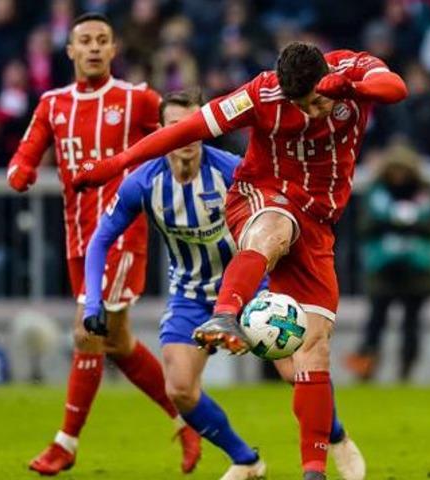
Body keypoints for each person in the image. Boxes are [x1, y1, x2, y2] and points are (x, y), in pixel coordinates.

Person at [73, 41, 407, 480]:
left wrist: (346, 85)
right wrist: (117, 163)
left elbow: (395, 87)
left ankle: (315, 469)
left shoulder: (350, 69)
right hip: (260, 197)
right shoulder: (260, 95)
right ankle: (227, 319)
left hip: (319, 223)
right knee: (273, 230)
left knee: (313, 349)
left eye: (319, 101)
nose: (314, 112)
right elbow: (186, 129)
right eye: (303, 105)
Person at [6, 13, 199, 475]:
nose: (93, 48)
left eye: (102, 41)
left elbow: (180, 128)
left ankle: (65, 443)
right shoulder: (52, 103)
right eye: (85, 41)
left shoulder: (135, 99)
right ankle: (188, 420)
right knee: (117, 340)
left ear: (114, 51)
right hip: (77, 237)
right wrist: (21, 169)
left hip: (121, 234)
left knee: (87, 331)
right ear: (70, 51)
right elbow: (28, 147)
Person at [345, 143, 430, 381]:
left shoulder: (427, 193)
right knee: (375, 322)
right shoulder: (376, 192)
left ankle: (406, 369)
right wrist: (394, 222)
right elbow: (364, 225)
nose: (399, 176)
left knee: (411, 323)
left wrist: (410, 224)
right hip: (383, 267)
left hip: (416, 268)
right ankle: (366, 368)